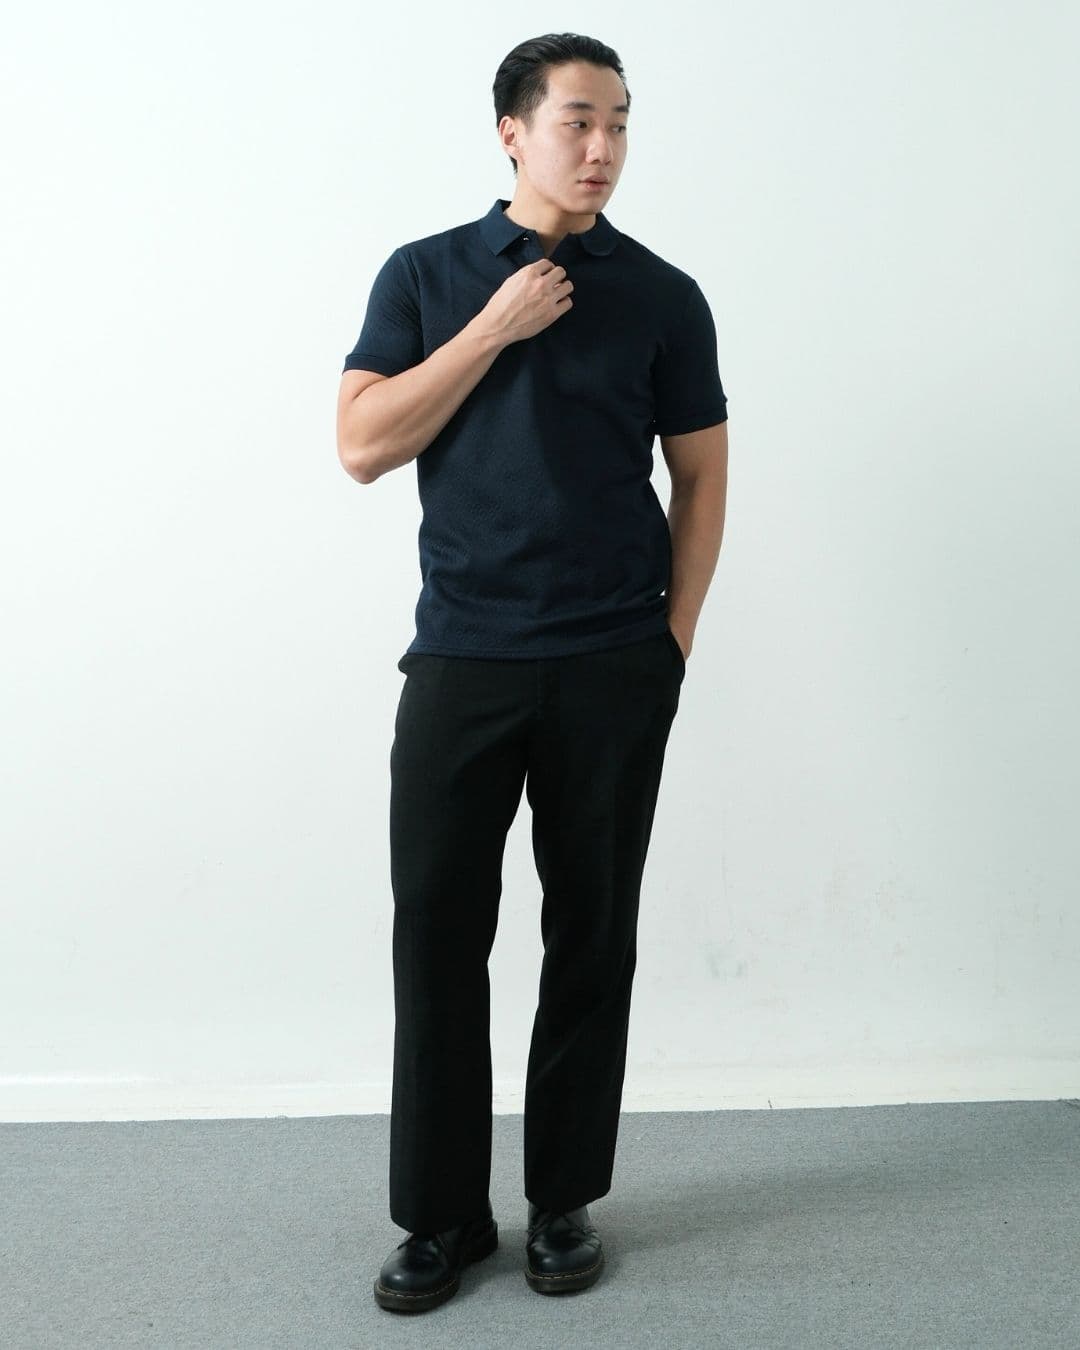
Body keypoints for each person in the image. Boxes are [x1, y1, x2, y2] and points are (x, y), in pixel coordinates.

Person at [336, 32, 729, 1315]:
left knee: (592, 933)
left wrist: (670, 641)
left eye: (619, 122)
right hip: (463, 657)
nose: (602, 147)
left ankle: (564, 1199)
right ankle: (442, 1214)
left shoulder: (663, 296)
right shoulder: (426, 274)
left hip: (613, 661)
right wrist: (493, 330)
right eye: (576, 121)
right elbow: (361, 445)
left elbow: (702, 475)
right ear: (512, 132)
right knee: (437, 934)